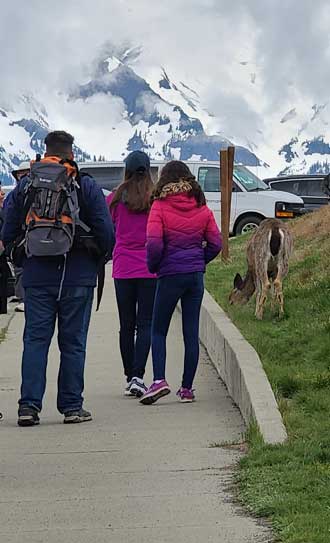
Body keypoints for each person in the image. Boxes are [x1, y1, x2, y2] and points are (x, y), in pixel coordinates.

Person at [2, 131, 114, 426]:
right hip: (78, 276)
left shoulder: (26, 184)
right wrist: (97, 257)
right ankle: (72, 407)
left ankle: (28, 407)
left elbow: (8, 227)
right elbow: (106, 231)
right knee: (73, 342)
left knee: (36, 341)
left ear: (46, 150)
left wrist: (21, 255)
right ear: (71, 153)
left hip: (37, 276)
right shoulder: (85, 184)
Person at [140, 160, 222, 405]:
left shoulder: (159, 206)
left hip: (170, 274)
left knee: (158, 329)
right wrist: (200, 260)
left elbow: (154, 244)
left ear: (164, 179)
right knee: (190, 331)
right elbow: (216, 243)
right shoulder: (202, 207)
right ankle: (187, 388)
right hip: (194, 276)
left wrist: (155, 266)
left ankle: (159, 380)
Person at [107, 151, 157, 397]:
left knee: (126, 325)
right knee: (145, 323)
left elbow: (107, 228)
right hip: (149, 268)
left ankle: (129, 376)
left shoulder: (116, 198)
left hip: (123, 267)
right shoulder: (155, 198)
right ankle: (139, 374)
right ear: (148, 169)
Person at [8, 161, 31, 312]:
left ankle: (24, 299)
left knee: (21, 270)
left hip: (22, 239)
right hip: (31, 239)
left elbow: (9, 220)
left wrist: (9, 243)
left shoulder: (15, 193)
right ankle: (23, 297)